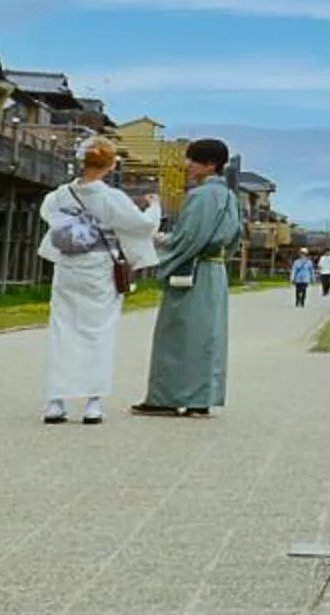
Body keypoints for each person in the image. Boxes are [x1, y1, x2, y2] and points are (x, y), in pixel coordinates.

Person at [35, 137, 160, 425]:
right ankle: (92, 404)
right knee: (98, 332)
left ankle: (56, 402)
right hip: (100, 267)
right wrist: (153, 206)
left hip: (67, 266)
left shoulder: (58, 195)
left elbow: (48, 214)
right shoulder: (110, 197)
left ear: (82, 161)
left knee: (62, 330)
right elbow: (141, 225)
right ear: (111, 164)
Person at [137, 138, 241, 415]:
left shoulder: (200, 196)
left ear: (210, 165)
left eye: (193, 160)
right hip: (215, 270)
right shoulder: (230, 196)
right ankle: (201, 398)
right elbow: (233, 238)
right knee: (208, 337)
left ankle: (167, 397)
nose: (188, 165)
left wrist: (164, 244)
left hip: (192, 270)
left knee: (177, 334)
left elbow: (188, 237)